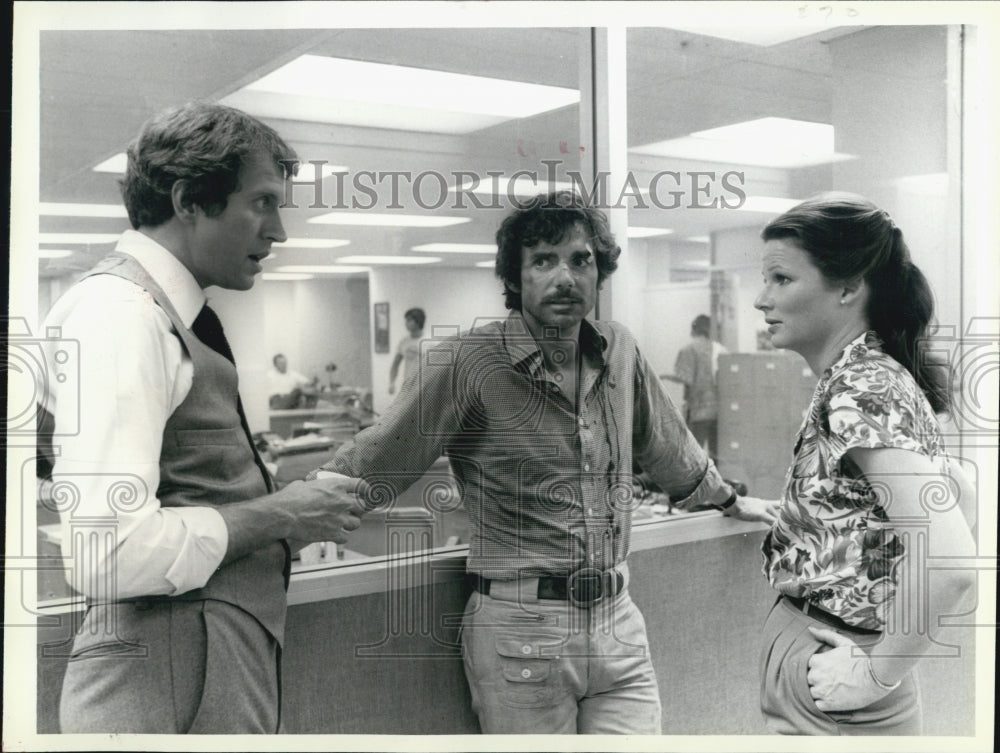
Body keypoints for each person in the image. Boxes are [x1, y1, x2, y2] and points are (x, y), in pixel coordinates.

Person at [308, 191, 777, 734]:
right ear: (517, 275)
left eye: (581, 260)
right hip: (520, 629)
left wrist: (731, 501)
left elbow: (670, 447)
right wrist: (294, 521)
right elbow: (377, 458)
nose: (565, 277)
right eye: (544, 260)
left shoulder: (619, 350)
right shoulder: (471, 362)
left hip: (618, 621)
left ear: (599, 272)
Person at [37, 102, 368, 734]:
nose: (280, 231)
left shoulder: (168, 315)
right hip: (168, 667)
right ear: (191, 198)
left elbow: (188, 486)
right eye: (262, 202)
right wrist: (283, 512)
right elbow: (105, 554)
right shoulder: (122, 316)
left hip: (206, 652)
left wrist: (282, 520)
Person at [752, 192, 976, 735]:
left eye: (781, 279)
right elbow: (959, 493)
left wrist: (876, 674)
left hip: (841, 666)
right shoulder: (873, 374)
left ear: (849, 288)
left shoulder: (863, 385)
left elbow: (951, 564)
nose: (762, 299)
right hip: (839, 652)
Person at [671, 314, 727, 457]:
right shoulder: (720, 349)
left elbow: (686, 379)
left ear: (694, 329)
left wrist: (663, 377)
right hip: (720, 411)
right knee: (717, 455)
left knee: (693, 455)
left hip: (698, 410)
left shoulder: (688, 350)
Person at [387, 307, 425, 395]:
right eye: (406, 320)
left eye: (409, 320)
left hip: (424, 387)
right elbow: (395, 364)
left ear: (418, 321)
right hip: (408, 387)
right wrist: (392, 382)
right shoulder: (404, 342)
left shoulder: (430, 342)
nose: (406, 323)